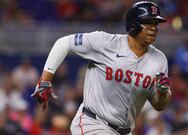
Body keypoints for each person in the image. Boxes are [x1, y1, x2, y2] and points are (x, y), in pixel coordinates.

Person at [31, 1, 172, 135]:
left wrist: (162, 93)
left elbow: (159, 105)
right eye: (147, 22)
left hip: (125, 130)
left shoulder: (159, 60)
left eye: (156, 23)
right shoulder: (105, 43)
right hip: (92, 123)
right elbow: (64, 43)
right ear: (133, 24)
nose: (153, 28)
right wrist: (45, 80)